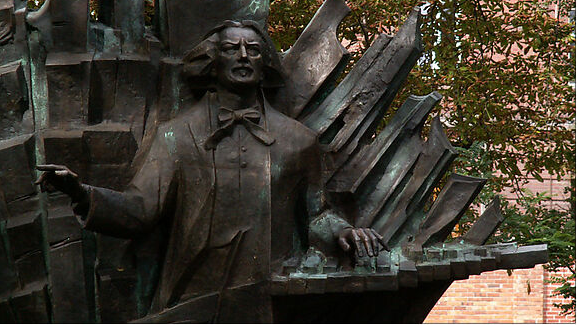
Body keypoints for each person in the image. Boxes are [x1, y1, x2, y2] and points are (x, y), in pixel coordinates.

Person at [36, 20, 388, 323]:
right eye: (231, 49)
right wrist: (81, 193)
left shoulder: (297, 141)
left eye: (252, 49)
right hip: (191, 300)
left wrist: (346, 231)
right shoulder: (176, 135)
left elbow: (315, 213)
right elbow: (139, 210)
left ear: (265, 63)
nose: (243, 56)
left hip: (267, 302)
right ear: (211, 62)